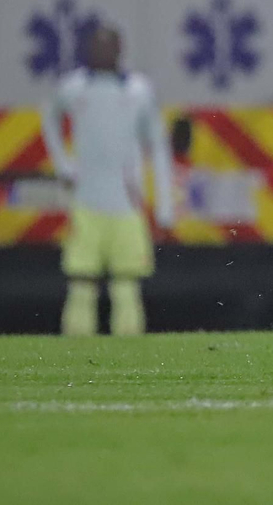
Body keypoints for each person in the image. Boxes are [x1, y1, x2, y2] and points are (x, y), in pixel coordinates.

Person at [40, 24, 174, 337]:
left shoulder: (138, 92)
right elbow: (49, 117)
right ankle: (77, 356)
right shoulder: (74, 88)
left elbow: (158, 145)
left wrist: (165, 205)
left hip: (126, 204)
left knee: (126, 285)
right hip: (86, 202)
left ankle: (127, 355)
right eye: (96, 47)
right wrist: (63, 164)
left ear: (119, 50)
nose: (101, 53)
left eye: (108, 47)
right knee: (81, 285)